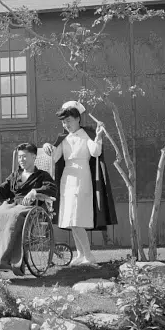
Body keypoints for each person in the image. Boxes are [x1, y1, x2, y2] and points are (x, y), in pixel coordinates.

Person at [43, 101, 117, 266]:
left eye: (68, 120)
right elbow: (54, 157)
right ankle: (80, 255)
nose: (66, 124)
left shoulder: (87, 135)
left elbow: (95, 152)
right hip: (67, 179)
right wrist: (47, 146)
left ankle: (89, 256)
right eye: (63, 122)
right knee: (70, 219)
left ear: (77, 119)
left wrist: (98, 136)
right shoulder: (64, 138)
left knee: (77, 220)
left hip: (82, 178)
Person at [0, 143, 57, 275]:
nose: (21, 160)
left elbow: (51, 189)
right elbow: (4, 189)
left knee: (13, 216)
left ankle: (6, 260)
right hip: (11, 204)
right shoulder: (15, 175)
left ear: (34, 157)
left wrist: (34, 192)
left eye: (24, 156)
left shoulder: (42, 175)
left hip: (28, 206)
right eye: (19, 157)